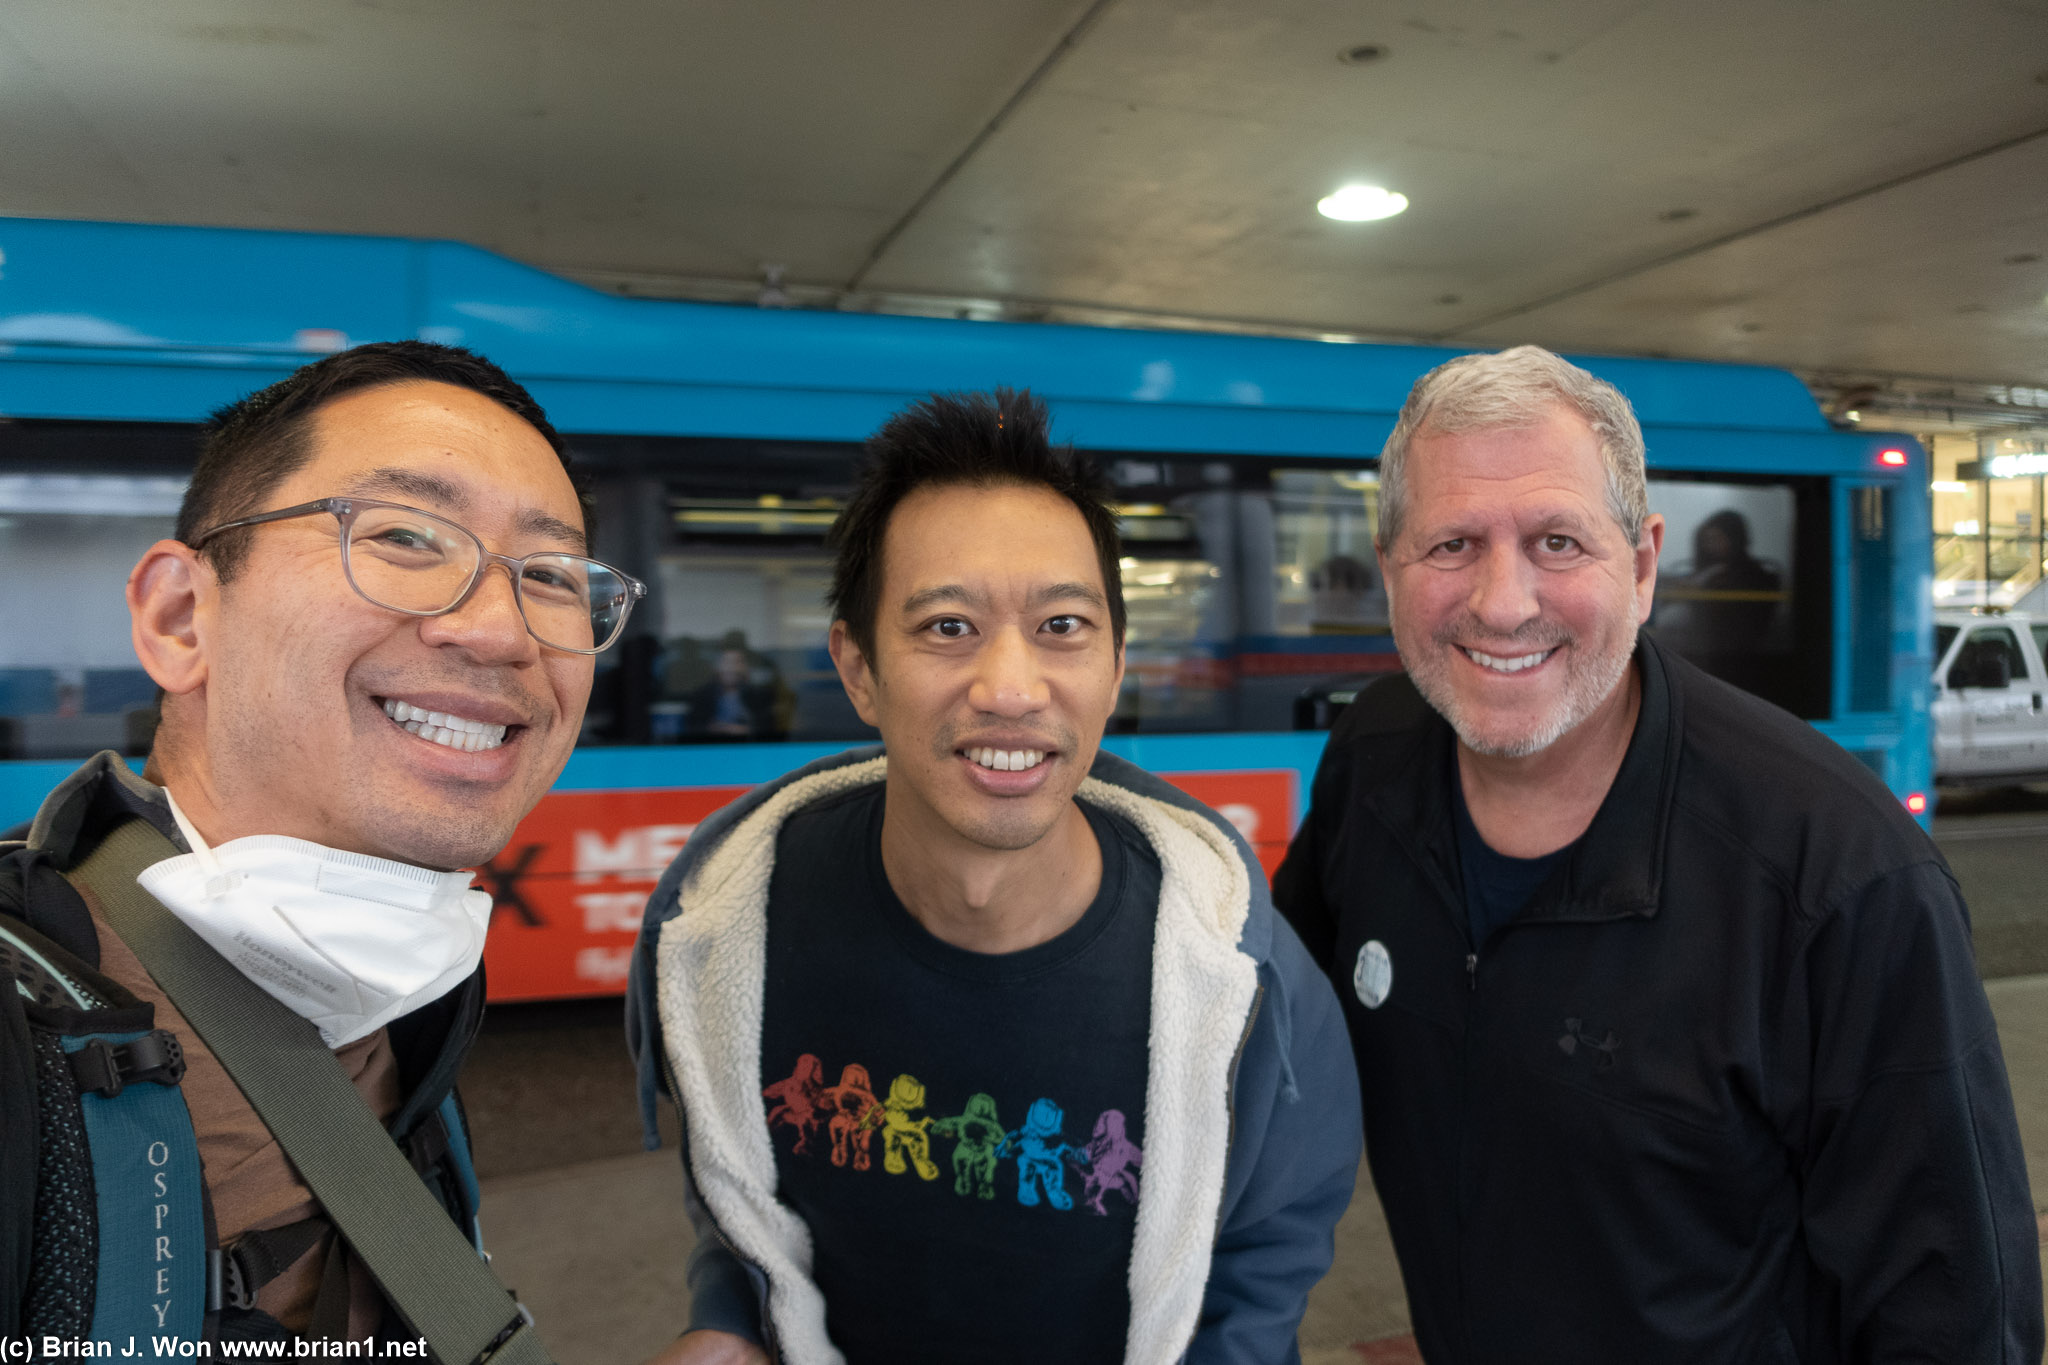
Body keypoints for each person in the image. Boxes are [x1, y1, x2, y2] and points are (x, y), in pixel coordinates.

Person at [1273, 345, 2042, 1363]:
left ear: (1639, 567)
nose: (1501, 604)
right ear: (1389, 571)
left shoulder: (1841, 880)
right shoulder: (1371, 763)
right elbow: (1259, 1031)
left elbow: (1952, 1316)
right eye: (1450, 544)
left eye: (1556, 542)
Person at [627, 390, 1360, 1365]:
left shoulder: (1248, 993)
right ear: (856, 668)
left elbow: (1262, 1264)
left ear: (1112, 667)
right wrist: (727, 1322)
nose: (1010, 690)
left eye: (1062, 625)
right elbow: (742, 1201)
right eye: (945, 628)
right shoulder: (726, 937)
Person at [1, 342, 640, 1349]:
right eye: (405, 536)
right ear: (180, 618)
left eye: (552, 574)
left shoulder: (408, 1005)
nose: (502, 630)